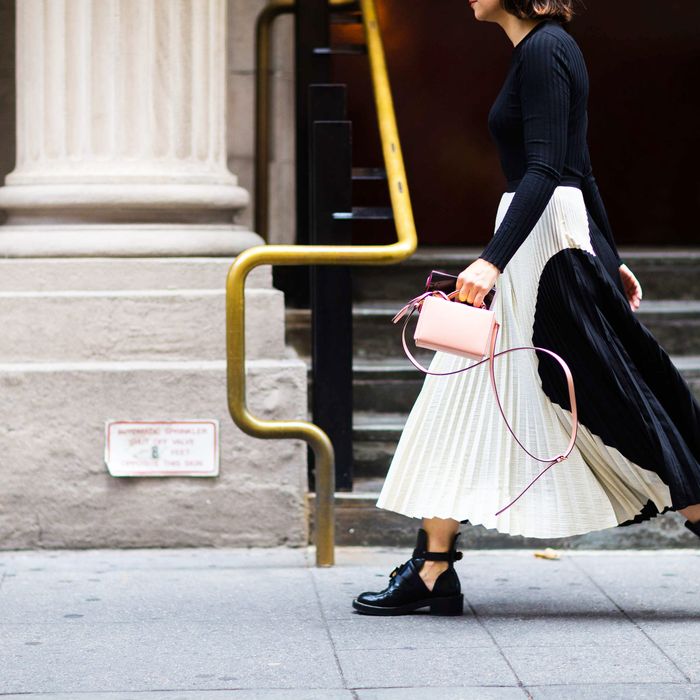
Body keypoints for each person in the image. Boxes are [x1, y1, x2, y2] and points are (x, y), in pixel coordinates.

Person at [352, 0, 700, 617]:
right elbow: (578, 168)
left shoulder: (543, 49)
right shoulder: (547, 49)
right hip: (550, 236)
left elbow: (547, 168)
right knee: (462, 387)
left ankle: (431, 571)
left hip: (538, 246)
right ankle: (432, 569)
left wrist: (493, 259)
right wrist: (605, 254)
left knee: (612, 400)